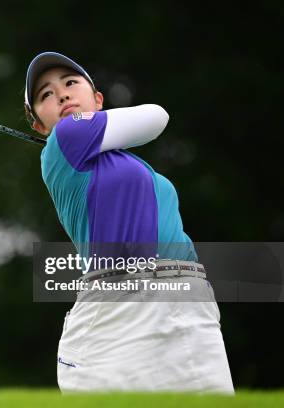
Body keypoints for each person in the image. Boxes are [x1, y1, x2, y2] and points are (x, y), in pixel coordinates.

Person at [24, 52, 234, 394]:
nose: (61, 94)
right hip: (121, 310)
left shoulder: (124, 162)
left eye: (71, 83)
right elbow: (156, 117)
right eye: (45, 94)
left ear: (98, 99)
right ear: (39, 125)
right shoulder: (66, 137)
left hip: (187, 302)